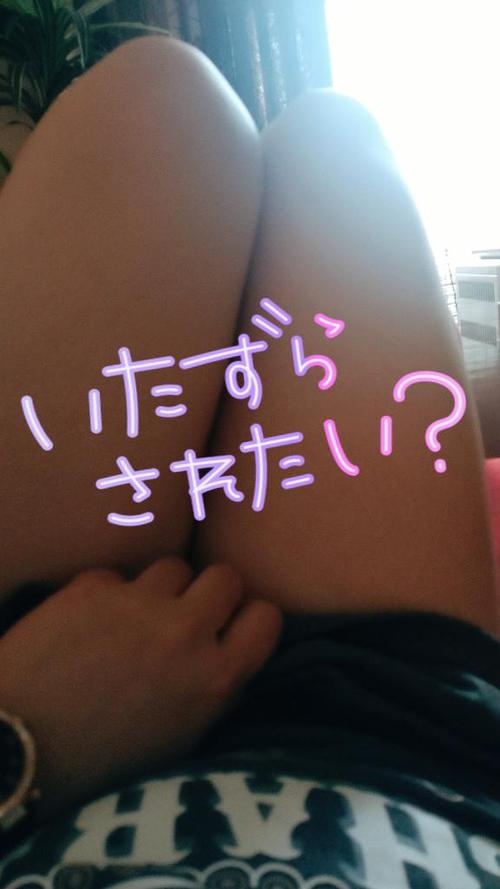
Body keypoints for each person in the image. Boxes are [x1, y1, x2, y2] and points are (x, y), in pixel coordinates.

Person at [0, 34, 498, 889]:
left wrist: (19, 731)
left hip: (36, 666)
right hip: (407, 750)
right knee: (328, 145)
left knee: (166, 108)